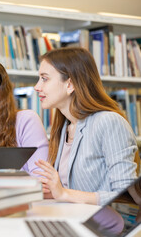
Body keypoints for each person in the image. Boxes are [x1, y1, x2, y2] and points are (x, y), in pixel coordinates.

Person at [33, 47, 139, 205]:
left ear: (70, 84)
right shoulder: (65, 127)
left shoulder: (108, 122)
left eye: (45, 79)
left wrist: (64, 194)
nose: (37, 87)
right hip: (71, 217)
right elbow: (69, 189)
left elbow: (125, 198)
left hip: (101, 225)